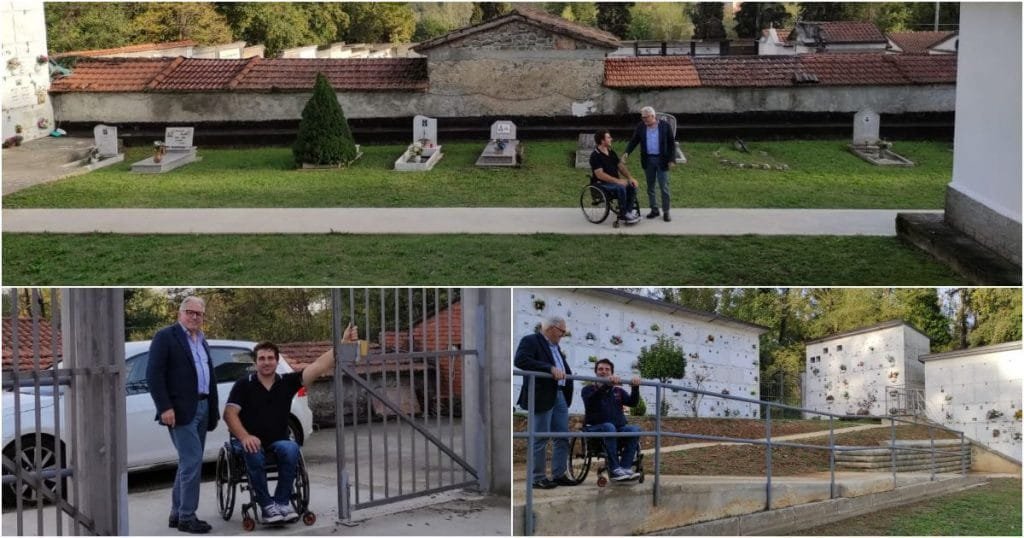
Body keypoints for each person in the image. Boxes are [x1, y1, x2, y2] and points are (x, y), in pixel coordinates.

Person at [224, 323, 358, 524]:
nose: (266, 362)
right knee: (253, 450)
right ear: (255, 362)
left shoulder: (287, 382)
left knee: (291, 448)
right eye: (262, 358)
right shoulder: (244, 385)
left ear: (277, 361)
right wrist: (244, 436)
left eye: (271, 358)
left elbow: (319, 365)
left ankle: (281, 503)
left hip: (278, 439)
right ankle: (266, 505)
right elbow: (229, 414)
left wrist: (342, 343)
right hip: (249, 442)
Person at [147, 296, 220, 534]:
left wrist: (213, 409)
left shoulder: (202, 340)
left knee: (188, 462)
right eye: (190, 312)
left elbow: (209, 375)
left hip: (202, 406)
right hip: (179, 411)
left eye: (199, 314)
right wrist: (164, 407)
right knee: (192, 461)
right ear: (180, 313)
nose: (194, 317)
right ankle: (188, 517)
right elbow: (154, 375)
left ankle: (177, 513)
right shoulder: (166, 337)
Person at [515, 316, 575, 489]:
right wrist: (548, 368)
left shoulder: (556, 346)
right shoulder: (531, 340)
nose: (563, 335)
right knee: (540, 436)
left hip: (559, 394)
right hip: (542, 394)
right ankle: (537, 477)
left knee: (562, 436)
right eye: (562, 331)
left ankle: (558, 474)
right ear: (551, 328)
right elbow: (520, 361)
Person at [581, 359, 642, 481]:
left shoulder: (618, 391)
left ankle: (625, 467)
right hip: (595, 428)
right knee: (609, 426)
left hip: (617, 428)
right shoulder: (588, 389)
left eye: (607, 369)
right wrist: (605, 386)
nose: (604, 372)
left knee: (635, 429)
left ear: (611, 373)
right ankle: (614, 470)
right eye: (600, 369)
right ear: (596, 372)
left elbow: (633, 403)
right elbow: (591, 403)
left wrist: (635, 388)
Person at [622, 106, 676, 222]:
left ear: (653, 116)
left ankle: (666, 211)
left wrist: (672, 159)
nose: (644, 120)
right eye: (643, 118)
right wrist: (627, 153)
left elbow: (672, 143)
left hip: (662, 160)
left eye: (646, 117)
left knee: (664, 187)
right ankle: (654, 209)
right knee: (650, 187)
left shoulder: (665, 126)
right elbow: (634, 141)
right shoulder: (641, 126)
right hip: (648, 160)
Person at [590, 129, 640, 224]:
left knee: (632, 185)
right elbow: (600, 175)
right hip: (602, 184)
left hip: (614, 182)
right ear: (602, 141)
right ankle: (623, 213)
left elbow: (620, 166)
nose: (611, 139)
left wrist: (630, 178)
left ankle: (628, 211)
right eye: (608, 137)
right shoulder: (595, 156)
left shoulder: (611, 152)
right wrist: (617, 181)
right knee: (621, 187)